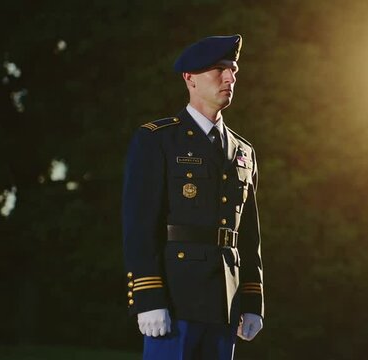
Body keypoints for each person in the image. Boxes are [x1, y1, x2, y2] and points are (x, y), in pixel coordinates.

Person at [122, 35, 264, 360]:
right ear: (190, 79)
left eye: (234, 70)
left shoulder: (243, 151)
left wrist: (253, 300)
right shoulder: (158, 139)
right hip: (175, 302)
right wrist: (148, 297)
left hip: (224, 302)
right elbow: (139, 226)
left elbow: (249, 234)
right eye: (219, 69)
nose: (230, 77)